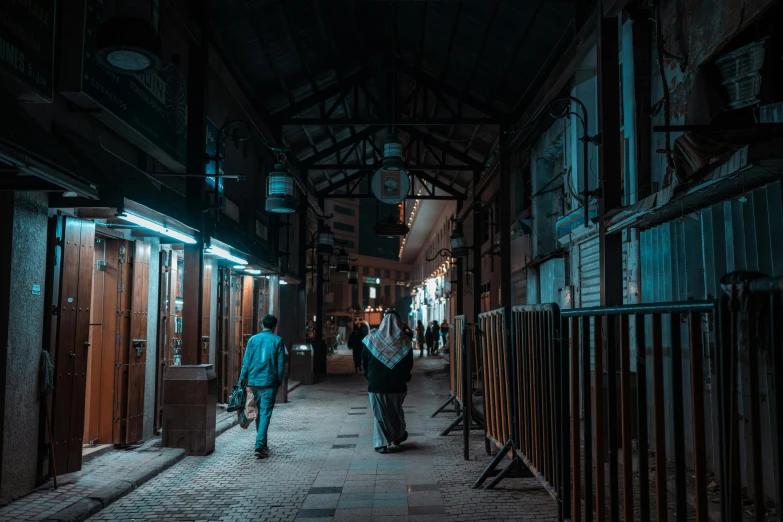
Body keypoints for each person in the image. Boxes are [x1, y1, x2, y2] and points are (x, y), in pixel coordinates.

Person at [362, 313, 413, 454]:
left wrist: (370, 377)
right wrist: (405, 377)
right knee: (396, 413)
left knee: (380, 415)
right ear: (399, 323)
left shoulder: (371, 340)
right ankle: (398, 435)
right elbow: (409, 364)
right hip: (398, 386)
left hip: (376, 385)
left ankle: (381, 443)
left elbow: (364, 362)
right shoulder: (405, 342)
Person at [238, 314, 286, 459]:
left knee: (258, 413)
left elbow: (246, 362)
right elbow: (280, 364)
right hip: (269, 382)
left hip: (253, 382)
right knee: (265, 414)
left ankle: (262, 444)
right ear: (274, 326)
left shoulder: (253, 340)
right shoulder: (278, 341)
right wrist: (279, 381)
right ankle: (259, 446)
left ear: (262, 324)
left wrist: (242, 379)